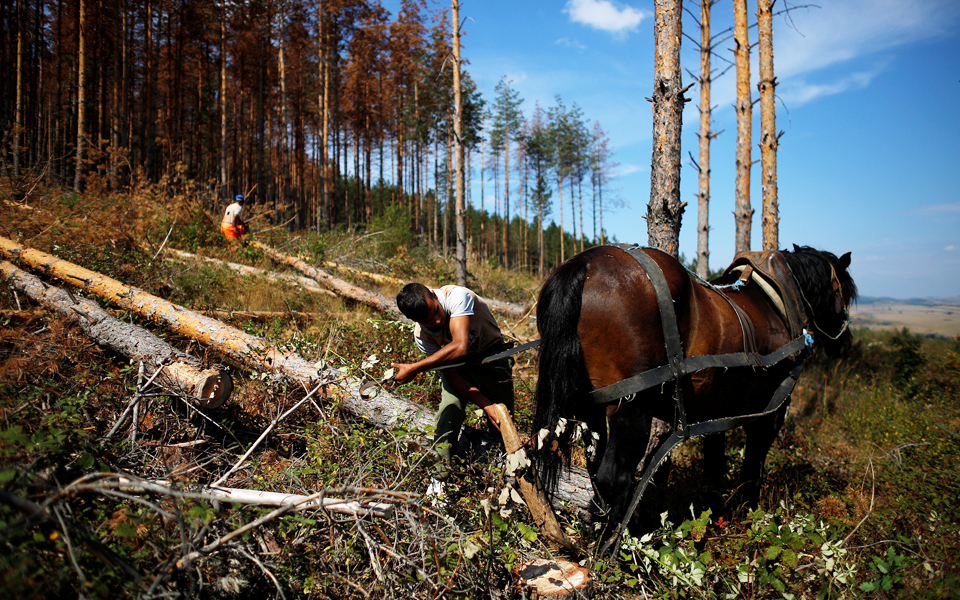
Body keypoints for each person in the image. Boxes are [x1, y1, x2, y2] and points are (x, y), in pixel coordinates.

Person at [391, 282, 515, 481]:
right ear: (413, 320)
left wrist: (415, 368)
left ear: (433, 295)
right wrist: (486, 405)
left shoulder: (457, 296)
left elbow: (460, 346)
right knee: (448, 411)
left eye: (436, 312)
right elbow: (455, 379)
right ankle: (439, 476)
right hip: (457, 367)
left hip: (493, 358)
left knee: (503, 417)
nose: (437, 321)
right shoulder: (422, 337)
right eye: (428, 321)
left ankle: (511, 469)